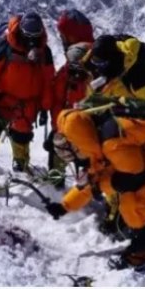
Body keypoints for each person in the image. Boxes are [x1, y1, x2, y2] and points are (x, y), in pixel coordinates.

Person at [45, 105, 145, 272]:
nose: (76, 161)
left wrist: (101, 186)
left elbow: (131, 179)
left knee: (133, 202)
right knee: (126, 195)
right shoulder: (95, 139)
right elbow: (93, 182)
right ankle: (141, 240)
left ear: (78, 145)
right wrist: (64, 206)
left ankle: (139, 255)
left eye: (73, 156)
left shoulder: (112, 145)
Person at [0, 12, 54, 185]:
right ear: (21, 31)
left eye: (35, 35)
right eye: (28, 35)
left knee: (22, 134)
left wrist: (45, 107)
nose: (32, 40)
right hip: (5, 98)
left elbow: (48, 81)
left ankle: (20, 169)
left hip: (29, 102)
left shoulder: (44, 52)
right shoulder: (3, 45)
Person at [45, 9, 96, 187]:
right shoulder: (98, 60)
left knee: (57, 150)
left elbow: (60, 100)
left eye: (63, 36)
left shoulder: (76, 66)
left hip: (78, 131)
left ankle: (56, 185)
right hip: (90, 132)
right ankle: (92, 190)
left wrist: (56, 129)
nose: (61, 39)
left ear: (71, 36)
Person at [85, 34, 145, 101]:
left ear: (111, 61)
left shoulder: (140, 79)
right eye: (94, 60)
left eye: (101, 63)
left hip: (139, 97)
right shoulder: (104, 49)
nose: (97, 66)